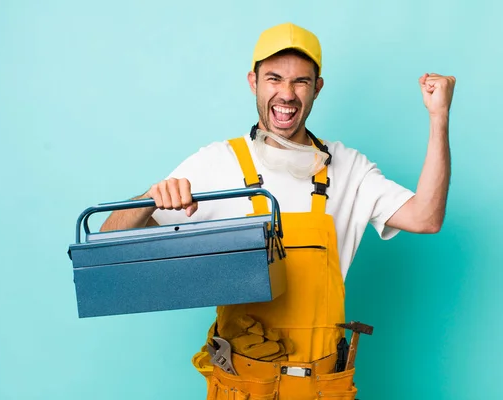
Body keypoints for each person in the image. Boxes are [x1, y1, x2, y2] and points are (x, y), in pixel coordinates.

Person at [100, 22, 455, 400]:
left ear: (317, 88)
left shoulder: (347, 168)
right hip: (243, 385)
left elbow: (426, 217)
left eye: (301, 81)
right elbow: (109, 240)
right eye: (274, 78)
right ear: (253, 81)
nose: (286, 94)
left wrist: (439, 116)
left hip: (321, 387)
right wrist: (151, 199)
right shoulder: (218, 163)